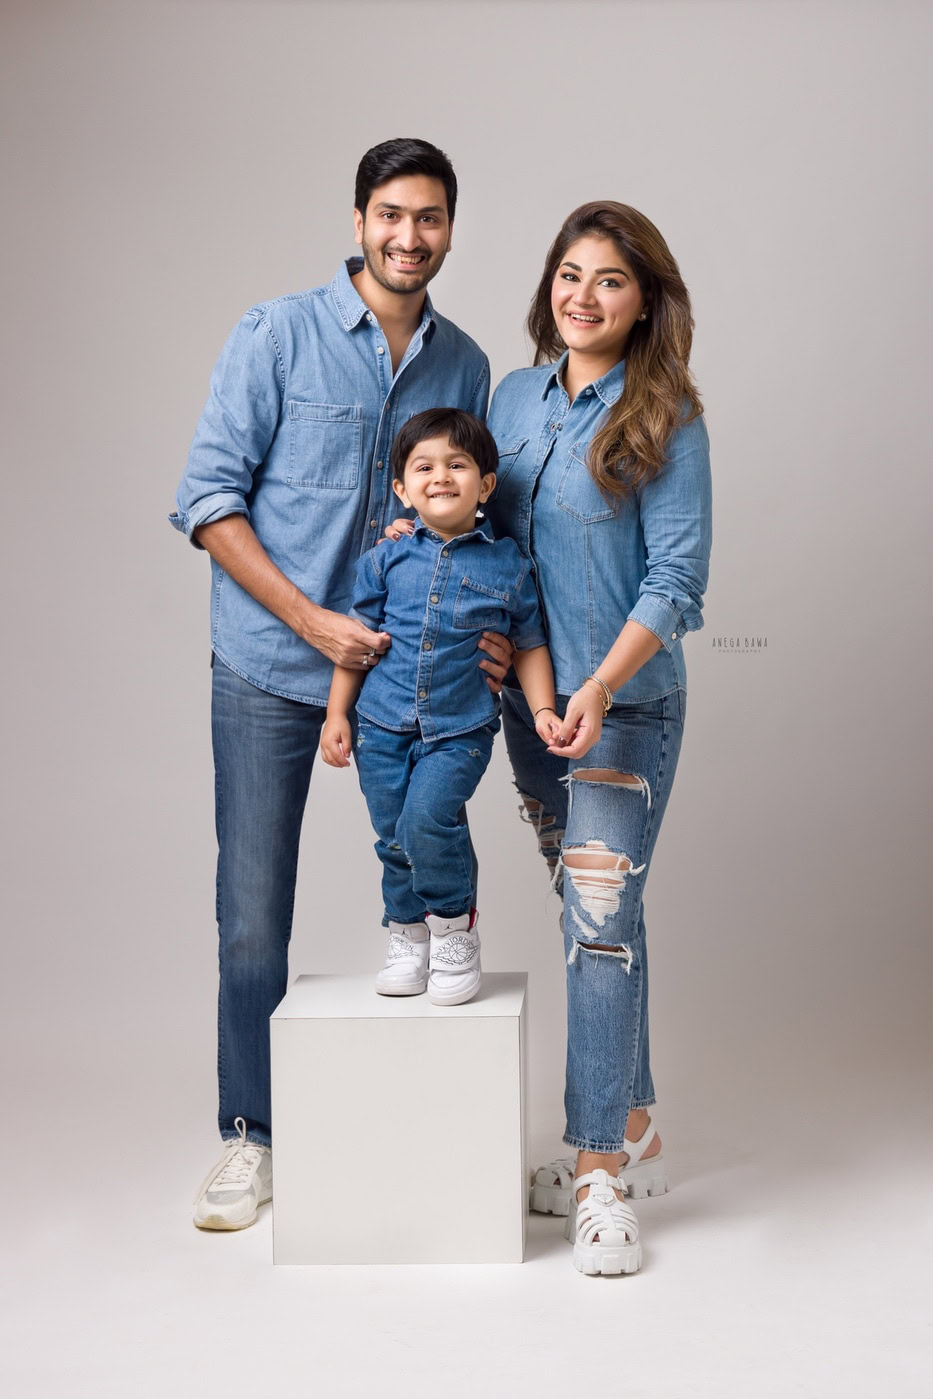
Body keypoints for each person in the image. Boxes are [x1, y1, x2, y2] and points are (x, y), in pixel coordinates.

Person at [171, 139, 511, 1232]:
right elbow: (208, 502)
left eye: (430, 218)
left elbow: (476, 516)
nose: (409, 236)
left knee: (426, 849)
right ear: (359, 218)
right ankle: (251, 1138)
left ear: (452, 228)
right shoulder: (276, 333)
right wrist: (314, 619)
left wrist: (497, 632)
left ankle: (433, 1128)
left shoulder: (464, 363)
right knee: (250, 915)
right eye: (390, 214)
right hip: (274, 662)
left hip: (420, 683)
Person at [486, 201, 712, 1275]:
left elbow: (677, 581)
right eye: (569, 274)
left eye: (609, 280)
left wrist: (598, 686)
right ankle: (638, 1121)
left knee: (601, 920)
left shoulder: (669, 417)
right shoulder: (511, 397)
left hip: (620, 706)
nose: (583, 295)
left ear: (644, 300)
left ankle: (597, 1173)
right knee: (591, 913)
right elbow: (486, 531)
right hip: (530, 708)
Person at [321, 408, 558, 1005]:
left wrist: (543, 710)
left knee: (427, 820)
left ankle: (454, 927)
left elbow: (529, 645)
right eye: (423, 467)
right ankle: (406, 933)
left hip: (460, 730)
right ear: (401, 488)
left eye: (458, 464)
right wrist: (335, 715)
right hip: (380, 723)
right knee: (392, 835)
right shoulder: (385, 558)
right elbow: (356, 644)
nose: (441, 476)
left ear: (487, 484)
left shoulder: (508, 565)